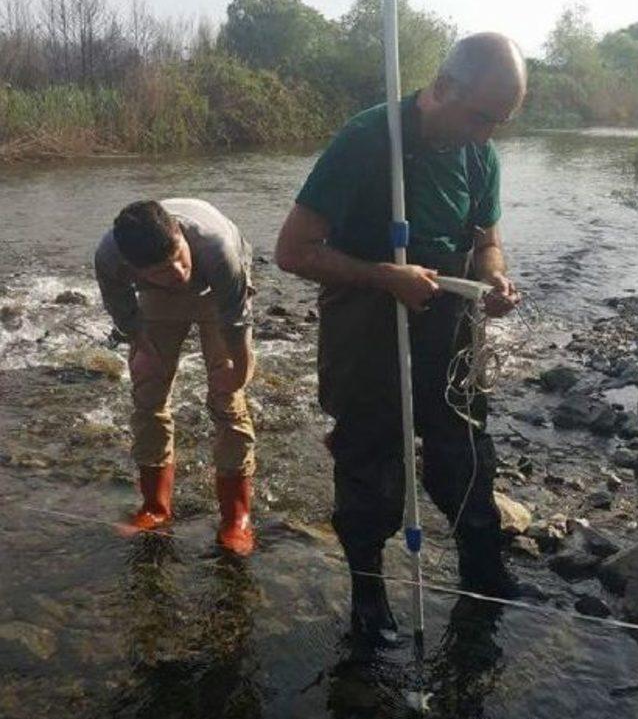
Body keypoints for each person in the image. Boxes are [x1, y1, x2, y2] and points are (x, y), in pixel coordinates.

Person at [276, 32, 529, 641]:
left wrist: (494, 282)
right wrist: (383, 276)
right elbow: (292, 250)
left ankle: (482, 569)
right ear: (442, 89)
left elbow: (487, 243)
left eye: (498, 123)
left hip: (450, 324)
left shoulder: (478, 154)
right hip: (368, 320)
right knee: (369, 461)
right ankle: (369, 593)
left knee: (464, 451)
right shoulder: (368, 140)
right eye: (479, 118)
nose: (486, 136)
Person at [95, 198, 256, 554]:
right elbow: (121, 307)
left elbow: (237, 323)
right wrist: (140, 344)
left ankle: (236, 517)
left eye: (178, 258)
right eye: (164, 270)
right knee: (148, 393)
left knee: (227, 399)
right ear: (134, 268)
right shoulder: (110, 258)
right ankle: (155, 507)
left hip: (217, 290)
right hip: (158, 300)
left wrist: (240, 372)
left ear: (179, 234)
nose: (179, 273)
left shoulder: (217, 246)